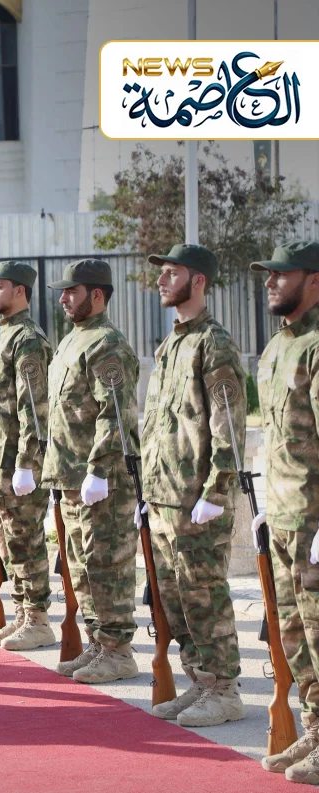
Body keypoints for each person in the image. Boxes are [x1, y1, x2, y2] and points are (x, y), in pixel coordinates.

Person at [138, 243, 246, 727]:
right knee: (175, 600)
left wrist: (217, 492)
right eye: (161, 273)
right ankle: (200, 681)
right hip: (164, 496)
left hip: (196, 498)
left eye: (172, 273)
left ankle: (224, 690)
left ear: (197, 280)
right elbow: (159, 423)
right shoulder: (172, 344)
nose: (161, 280)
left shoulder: (213, 343)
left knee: (204, 596)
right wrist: (147, 489)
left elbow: (228, 426)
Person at [43, 259, 140, 685]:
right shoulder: (72, 340)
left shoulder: (106, 344)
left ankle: (118, 651)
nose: (64, 298)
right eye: (63, 292)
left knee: (106, 564)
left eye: (72, 291)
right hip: (71, 477)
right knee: (81, 567)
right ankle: (98, 643)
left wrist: (99, 469)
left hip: (102, 480)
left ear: (96, 295)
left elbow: (115, 413)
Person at [253, 241, 319, 780]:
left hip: (313, 519)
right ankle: (316, 728)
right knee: (295, 637)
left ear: (314, 280)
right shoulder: (278, 346)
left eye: (282, 274)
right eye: (268, 274)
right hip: (281, 512)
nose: (270, 281)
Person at [0, 261, 56, 650]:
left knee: (26, 542)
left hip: (16, 463)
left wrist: (27, 463)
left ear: (20, 291)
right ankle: (23, 612)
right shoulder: (0, 337)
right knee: (8, 545)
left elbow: (34, 409)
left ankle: (38, 619)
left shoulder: (28, 340)